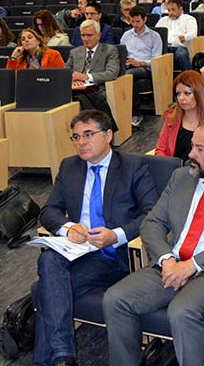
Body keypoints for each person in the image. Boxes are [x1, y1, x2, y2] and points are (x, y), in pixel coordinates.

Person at [103, 121, 204, 366]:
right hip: (170, 263)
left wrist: (193, 265)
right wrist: (167, 260)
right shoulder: (180, 177)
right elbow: (152, 223)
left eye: (201, 149)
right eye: (192, 146)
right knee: (115, 299)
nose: (190, 154)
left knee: (181, 311)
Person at [33, 110, 158, 366]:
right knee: (48, 262)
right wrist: (68, 228)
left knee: (47, 290)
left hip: (117, 255)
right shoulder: (70, 166)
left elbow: (153, 213)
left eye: (88, 135)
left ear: (108, 135)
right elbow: (48, 211)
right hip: (78, 252)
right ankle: (63, 357)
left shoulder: (132, 166)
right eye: (76, 136)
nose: (81, 142)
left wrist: (116, 235)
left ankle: (54, 360)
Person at [155, 71, 204, 160]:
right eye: (178, 94)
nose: (181, 98)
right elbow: (160, 150)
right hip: (174, 171)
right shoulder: (171, 118)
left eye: (187, 93)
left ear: (200, 94)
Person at [66, 20, 121, 128]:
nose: (86, 39)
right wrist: (74, 79)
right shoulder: (75, 52)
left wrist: (86, 77)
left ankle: (94, 129)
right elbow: (65, 71)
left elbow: (112, 73)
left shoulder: (110, 50)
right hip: (76, 88)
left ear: (99, 36)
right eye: (83, 35)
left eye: (89, 35)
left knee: (82, 99)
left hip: (97, 88)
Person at [120, 6, 162, 127]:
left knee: (128, 76)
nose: (135, 24)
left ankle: (136, 113)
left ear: (145, 19)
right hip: (129, 65)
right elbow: (122, 52)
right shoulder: (127, 35)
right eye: (132, 22)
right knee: (119, 74)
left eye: (138, 21)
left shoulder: (154, 36)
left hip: (145, 68)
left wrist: (140, 63)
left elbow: (156, 59)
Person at [156, 0, 198, 71]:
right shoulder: (163, 20)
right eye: (169, 10)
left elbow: (193, 34)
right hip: (165, 47)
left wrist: (185, 37)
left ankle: (188, 76)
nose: (170, 12)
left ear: (180, 9)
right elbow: (156, 33)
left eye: (173, 10)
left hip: (180, 46)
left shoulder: (189, 19)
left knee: (181, 54)